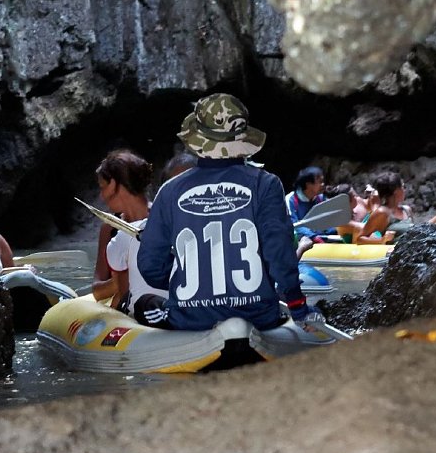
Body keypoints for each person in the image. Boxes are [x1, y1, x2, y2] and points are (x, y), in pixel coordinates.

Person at [137, 93, 315, 331]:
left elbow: (150, 267)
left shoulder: (169, 192)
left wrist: (190, 274)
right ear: (242, 139)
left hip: (192, 319)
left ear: (197, 140)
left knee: (143, 303)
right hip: (259, 316)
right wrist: (298, 307)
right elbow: (280, 255)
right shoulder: (267, 184)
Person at [94, 149, 167, 317]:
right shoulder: (109, 229)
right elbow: (97, 290)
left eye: (102, 187)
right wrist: (125, 277)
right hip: (133, 305)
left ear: (113, 185)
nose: (101, 195)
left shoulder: (165, 220)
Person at [286, 166, 332, 257]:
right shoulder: (290, 200)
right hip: (301, 241)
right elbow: (293, 224)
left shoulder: (321, 199)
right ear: (308, 184)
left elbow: (330, 221)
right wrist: (313, 237)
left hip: (322, 240)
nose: (323, 185)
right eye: (320, 182)